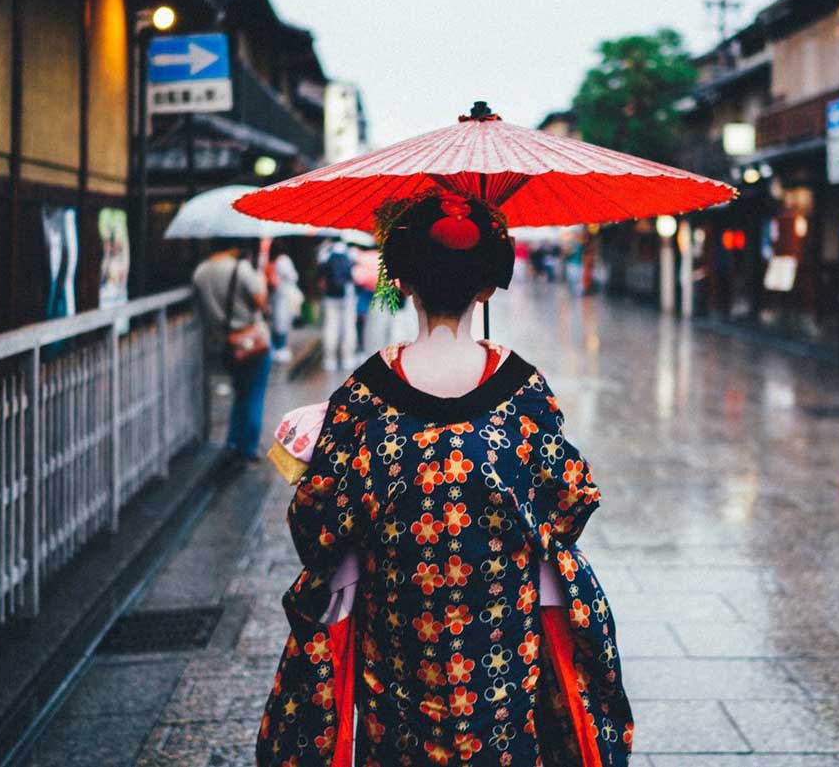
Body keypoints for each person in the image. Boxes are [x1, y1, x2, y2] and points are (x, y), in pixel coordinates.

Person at [257, 191, 632, 766]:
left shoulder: (364, 395)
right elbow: (572, 501)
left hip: (399, 644)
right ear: (487, 287)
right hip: (503, 645)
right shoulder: (522, 390)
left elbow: (314, 525)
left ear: (401, 280)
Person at [192, 241, 271, 461]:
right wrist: (261, 278)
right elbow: (262, 304)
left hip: (224, 343)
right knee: (254, 394)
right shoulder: (241, 268)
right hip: (251, 341)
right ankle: (249, 449)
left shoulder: (200, 273)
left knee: (239, 392)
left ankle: (233, 442)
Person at [318, 239, 357, 371]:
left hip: (330, 296)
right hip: (348, 295)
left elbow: (321, 278)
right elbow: (354, 275)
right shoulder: (351, 253)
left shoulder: (325, 253)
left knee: (330, 326)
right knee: (349, 326)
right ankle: (347, 358)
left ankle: (330, 360)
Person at [267, 242, 303, 364]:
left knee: (276, 320)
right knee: (282, 321)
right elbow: (293, 276)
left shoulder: (270, 261)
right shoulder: (284, 260)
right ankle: (281, 348)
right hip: (284, 294)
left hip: (275, 294)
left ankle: (276, 347)